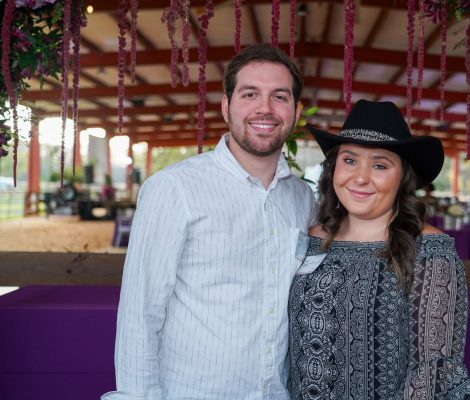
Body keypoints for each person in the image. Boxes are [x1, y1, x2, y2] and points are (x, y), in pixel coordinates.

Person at [102, 44, 315, 400]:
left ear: (296, 111)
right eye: (250, 94)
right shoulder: (175, 188)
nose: (265, 108)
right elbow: (140, 314)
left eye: (280, 96)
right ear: (226, 106)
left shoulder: (302, 199)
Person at [288, 100, 470, 399]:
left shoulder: (429, 250)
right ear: (334, 167)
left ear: (402, 177)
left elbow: (433, 372)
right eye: (350, 160)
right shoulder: (312, 238)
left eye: (379, 165)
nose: (361, 177)